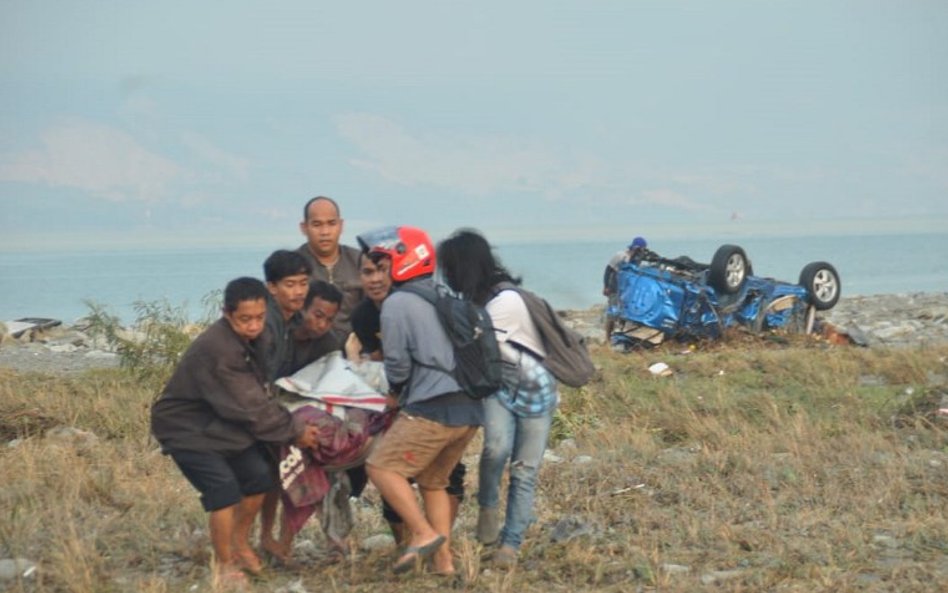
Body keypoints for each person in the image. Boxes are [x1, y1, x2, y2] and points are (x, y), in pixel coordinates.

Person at [150, 277, 319, 587]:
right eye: (245, 319)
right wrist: (294, 431)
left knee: (259, 478)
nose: (253, 326)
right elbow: (251, 406)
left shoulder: (257, 337)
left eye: (258, 318)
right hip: (185, 427)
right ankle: (225, 564)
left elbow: (259, 393)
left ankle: (240, 543)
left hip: (222, 423)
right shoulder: (219, 349)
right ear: (226, 313)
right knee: (224, 492)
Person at [361, 226, 482, 576]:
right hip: (469, 411)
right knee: (434, 482)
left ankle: (422, 531)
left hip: (433, 408)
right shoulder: (443, 293)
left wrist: (392, 392)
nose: (380, 273)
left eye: (384, 264)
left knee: (381, 467)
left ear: (402, 259)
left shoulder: (398, 303)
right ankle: (444, 563)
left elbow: (397, 367)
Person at [437, 229, 558, 568]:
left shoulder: (503, 303)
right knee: (495, 449)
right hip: (499, 388)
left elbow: (469, 349)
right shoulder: (477, 303)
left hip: (536, 393)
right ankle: (488, 506)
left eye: (449, 267)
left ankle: (511, 544)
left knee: (524, 469)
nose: (445, 275)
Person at [345, 246, 468, 547]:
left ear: (397, 270)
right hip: (398, 403)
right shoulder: (363, 314)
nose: (375, 279)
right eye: (367, 272)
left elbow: (404, 363)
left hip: (433, 399)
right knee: (399, 474)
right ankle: (410, 546)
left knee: (439, 474)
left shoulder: (410, 302)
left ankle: (436, 543)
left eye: (382, 270)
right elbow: (380, 362)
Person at [259, 278, 343, 564]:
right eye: (317, 315)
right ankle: (265, 536)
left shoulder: (329, 345)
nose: (321, 325)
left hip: (303, 418)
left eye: (329, 320)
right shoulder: (278, 332)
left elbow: (330, 388)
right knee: (268, 475)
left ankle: (287, 541)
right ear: (303, 309)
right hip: (266, 414)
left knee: (305, 470)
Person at [296, 196, 363, 338]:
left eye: (331, 223)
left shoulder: (360, 261)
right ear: (304, 228)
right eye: (317, 224)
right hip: (308, 348)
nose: (325, 232)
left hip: (356, 347)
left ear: (341, 225)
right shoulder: (293, 266)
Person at [261, 250, 313, 384]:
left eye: (303, 283)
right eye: (290, 285)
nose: (299, 292)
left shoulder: (296, 318)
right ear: (272, 287)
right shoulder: (264, 320)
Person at [602, 236, 648, 341]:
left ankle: (620, 334)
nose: (641, 251)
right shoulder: (621, 255)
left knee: (624, 313)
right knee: (612, 313)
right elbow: (608, 270)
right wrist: (606, 286)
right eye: (641, 249)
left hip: (627, 290)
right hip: (614, 287)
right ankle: (608, 337)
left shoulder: (637, 260)